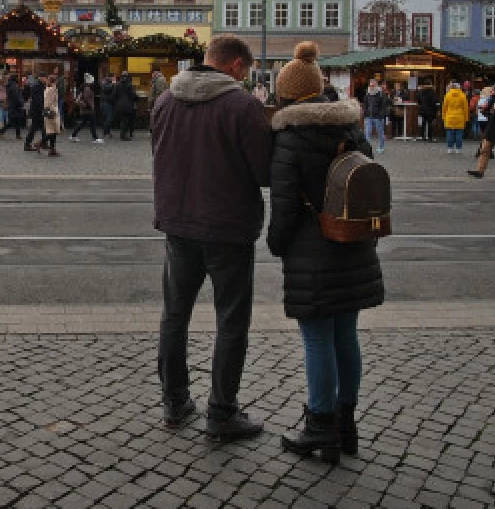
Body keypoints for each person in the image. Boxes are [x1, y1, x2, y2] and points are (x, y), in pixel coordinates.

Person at [267, 42, 384, 463]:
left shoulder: (290, 140)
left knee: (317, 339)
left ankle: (321, 425)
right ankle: (347, 424)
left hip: (311, 250)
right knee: (345, 335)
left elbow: (283, 209)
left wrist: (276, 245)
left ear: (287, 95)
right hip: (353, 244)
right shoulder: (350, 129)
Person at [152, 35, 272, 442]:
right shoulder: (242, 105)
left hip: (178, 222)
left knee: (174, 315)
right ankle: (221, 412)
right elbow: (265, 172)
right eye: (247, 69)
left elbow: (158, 152)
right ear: (236, 65)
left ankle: (174, 401)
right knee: (231, 321)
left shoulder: (166, 100)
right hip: (228, 227)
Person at [69, 74, 103, 143]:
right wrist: (88, 105)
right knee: (92, 124)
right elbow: (84, 99)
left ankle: (73, 135)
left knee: (83, 123)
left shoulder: (84, 87)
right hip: (88, 109)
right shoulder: (87, 89)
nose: (93, 82)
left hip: (85, 110)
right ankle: (95, 138)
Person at [441, 81, 469, 154]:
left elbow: (444, 107)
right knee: (459, 134)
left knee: (449, 133)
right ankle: (458, 149)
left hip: (449, 116)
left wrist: (443, 116)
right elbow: (465, 108)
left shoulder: (447, 95)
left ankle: (450, 148)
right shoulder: (462, 95)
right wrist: (466, 118)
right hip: (460, 117)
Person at [361, 80, 388, 154]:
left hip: (377, 117)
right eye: (370, 85)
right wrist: (365, 113)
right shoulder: (367, 94)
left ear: (376, 86)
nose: (371, 87)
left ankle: (381, 147)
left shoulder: (380, 94)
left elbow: (383, 106)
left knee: (380, 133)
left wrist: (380, 115)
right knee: (367, 132)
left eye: (373, 85)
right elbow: (365, 104)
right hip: (368, 116)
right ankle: (366, 148)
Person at [23, 73, 46, 152]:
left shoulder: (38, 85)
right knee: (35, 128)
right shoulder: (37, 86)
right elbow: (38, 100)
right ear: (41, 78)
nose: (45, 80)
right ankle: (28, 144)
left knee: (42, 128)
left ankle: (43, 143)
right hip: (37, 111)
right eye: (45, 78)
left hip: (37, 110)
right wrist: (42, 109)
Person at [41, 74, 62, 157]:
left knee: (51, 131)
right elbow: (50, 102)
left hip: (48, 112)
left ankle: (52, 149)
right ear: (55, 81)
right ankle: (41, 143)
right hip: (52, 112)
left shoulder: (47, 89)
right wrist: (51, 110)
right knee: (54, 131)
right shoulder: (53, 89)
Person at [0, 74, 25, 140]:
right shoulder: (14, 86)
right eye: (17, 78)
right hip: (15, 106)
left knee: (17, 121)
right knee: (12, 121)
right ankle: (1, 132)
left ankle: (18, 135)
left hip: (13, 106)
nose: (18, 79)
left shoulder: (10, 85)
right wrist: (21, 103)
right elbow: (16, 97)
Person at [115, 72, 139, 141]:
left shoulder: (117, 84)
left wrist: (117, 102)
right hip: (127, 105)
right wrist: (137, 98)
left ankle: (122, 134)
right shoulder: (129, 85)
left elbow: (115, 95)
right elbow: (133, 95)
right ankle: (123, 136)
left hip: (119, 105)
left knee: (122, 120)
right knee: (126, 120)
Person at [100, 73, 117, 139]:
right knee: (108, 118)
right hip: (105, 103)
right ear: (110, 77)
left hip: (110, 103)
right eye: (114, 77)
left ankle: (108, 132)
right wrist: (113, 84)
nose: (115, 79)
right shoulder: (105, 82)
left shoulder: (110, 83)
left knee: (109, 118)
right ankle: (106, 133)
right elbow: (105, 89)